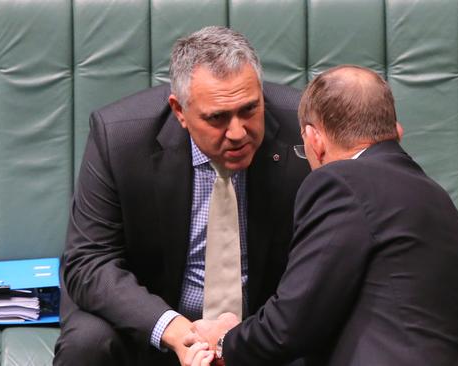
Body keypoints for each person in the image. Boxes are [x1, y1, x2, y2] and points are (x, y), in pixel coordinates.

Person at [185, 65, 458, 366]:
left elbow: (290, 325)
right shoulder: (434, 195)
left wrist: (223, 343)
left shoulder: (341, 182)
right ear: (395, 131)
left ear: (315, 140)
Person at [54, 26, 310, 366]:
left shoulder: (304, 126)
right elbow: (88, 261)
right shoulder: (119, 136)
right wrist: (174, 330)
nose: (238, 133)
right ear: (179, 111)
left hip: (267, 324)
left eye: (249, 109)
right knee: (88, 343)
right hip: (155, 322)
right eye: (217, 118)